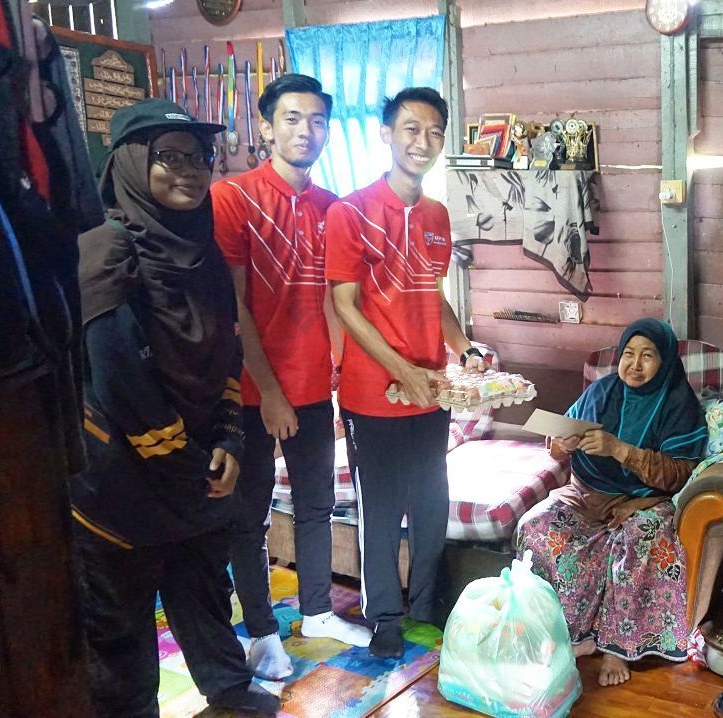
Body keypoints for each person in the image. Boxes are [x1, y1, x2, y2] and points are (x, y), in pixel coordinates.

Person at [69, 99, 280, 717]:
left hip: (194, 468)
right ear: (132, 163)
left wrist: (229, 440)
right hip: (121, 475)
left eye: (199, 157)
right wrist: (186, 459)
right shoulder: (105, 248)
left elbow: (225, 353)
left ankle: (228, 689)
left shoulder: (203, 251)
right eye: (170, 157)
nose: (189, 170)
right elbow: (117, 374)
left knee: (204, 585)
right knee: (121, 627)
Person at [212, 73, 370, 681]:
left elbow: (339, 301)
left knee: (316, 506)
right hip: (252, 391)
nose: (307, 130)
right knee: (248, 515)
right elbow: (234, 306)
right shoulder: (233, 197)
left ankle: (317, 613)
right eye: (293, 118)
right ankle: (260, 632)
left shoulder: (334, 208)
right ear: (267, 127)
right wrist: (271, 393)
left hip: (312, 389)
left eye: (318, 120)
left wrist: (339, 379)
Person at [325, 87, 486, 658]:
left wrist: (464, 348)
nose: (424, 141)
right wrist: (403, 370)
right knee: (381, 508)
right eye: (412, 129)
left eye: (435, 131)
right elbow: (346, 306)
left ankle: (423, 606)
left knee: (431, 503)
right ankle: (385, 617)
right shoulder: (349, 212)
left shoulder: (437, 215)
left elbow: (432, 296)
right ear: (386, 135)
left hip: (432, 390)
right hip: (374, 394)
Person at [515, 318, 708, 688]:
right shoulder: (601, 391)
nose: (634, 364)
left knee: (642, 537)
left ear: (665, 361)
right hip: (585, 493)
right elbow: (558, 439)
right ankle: (572, 633)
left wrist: (619, 449)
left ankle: (617, 647)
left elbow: (678, 475)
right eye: (628, 354)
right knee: (535, 527)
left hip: (643, 500)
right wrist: (562, 443)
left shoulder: (679, 403)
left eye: (647, 356)